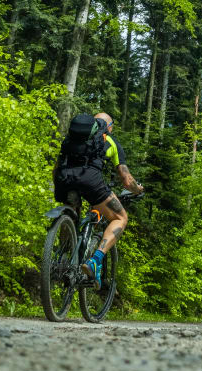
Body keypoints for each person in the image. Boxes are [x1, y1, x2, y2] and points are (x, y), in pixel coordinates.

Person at [53, 111, 144, 284]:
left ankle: (62, 258)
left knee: (71, 212)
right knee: (120, 218)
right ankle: (94, 261)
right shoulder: (108, 139)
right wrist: (137, 189)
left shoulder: (71, 138)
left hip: (63, 178)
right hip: (89, 181)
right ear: (109, 127)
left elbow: (57, 165)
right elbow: (126, 179)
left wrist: (59, 187)